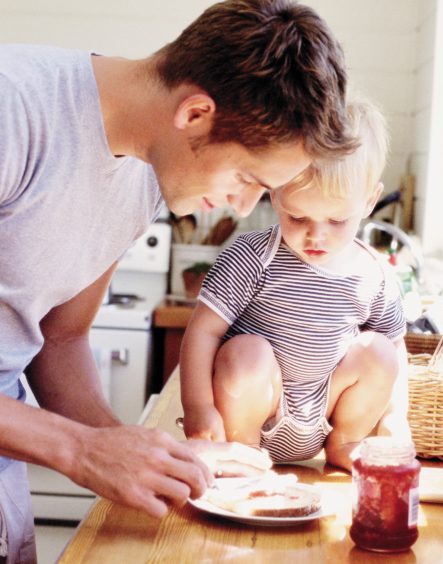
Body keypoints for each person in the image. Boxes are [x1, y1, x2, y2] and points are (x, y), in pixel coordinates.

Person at [0, 0, 357, 560]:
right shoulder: (13, 109)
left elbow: (60, 336)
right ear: (194, 114)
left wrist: (147, 454)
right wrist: (80, 449)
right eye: (245, 176)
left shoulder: (144, 171)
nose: (242, 210)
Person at [180, 99, 411, 474]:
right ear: (275, 194)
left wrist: (395, 418)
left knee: (380, 351)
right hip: (255, 407)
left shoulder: (374, 274)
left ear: (369, 201)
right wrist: (198, 408)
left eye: (337, 219)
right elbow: (202, 332)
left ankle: (345, 444)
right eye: (298, 216)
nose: (315, 235)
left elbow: (397, 354)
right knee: (246, 352)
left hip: (325, 407)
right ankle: (243, 451)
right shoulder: (253, 256)